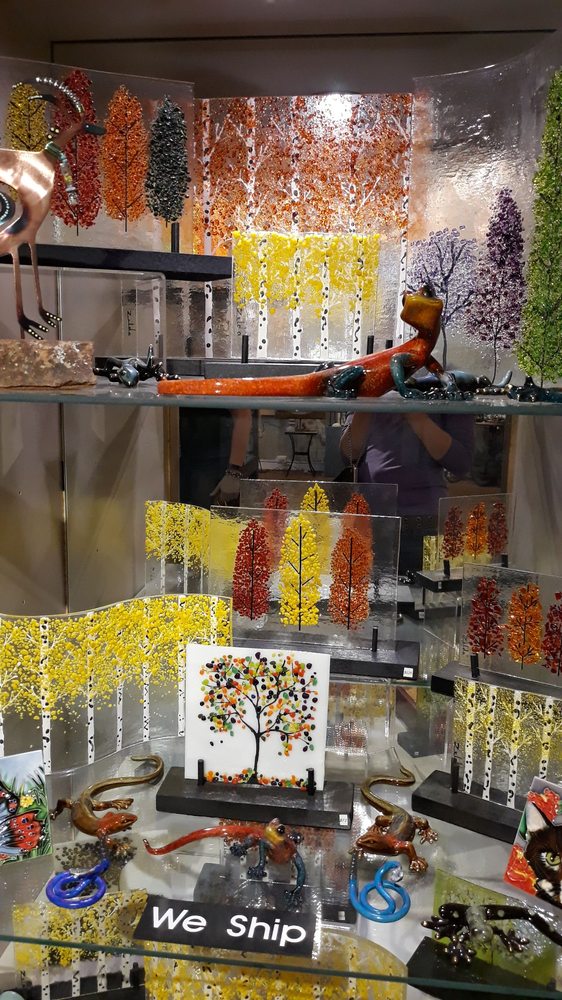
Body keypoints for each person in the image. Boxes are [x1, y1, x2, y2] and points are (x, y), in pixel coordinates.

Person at [340, 405, 474, 575]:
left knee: (420, 587)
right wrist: (366, 405)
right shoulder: (370, 395)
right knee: (367, 586)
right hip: (372, 519)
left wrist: (416, 417)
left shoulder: (445, 393)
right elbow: (348, 455)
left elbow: (460, 462)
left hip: (421, 521)